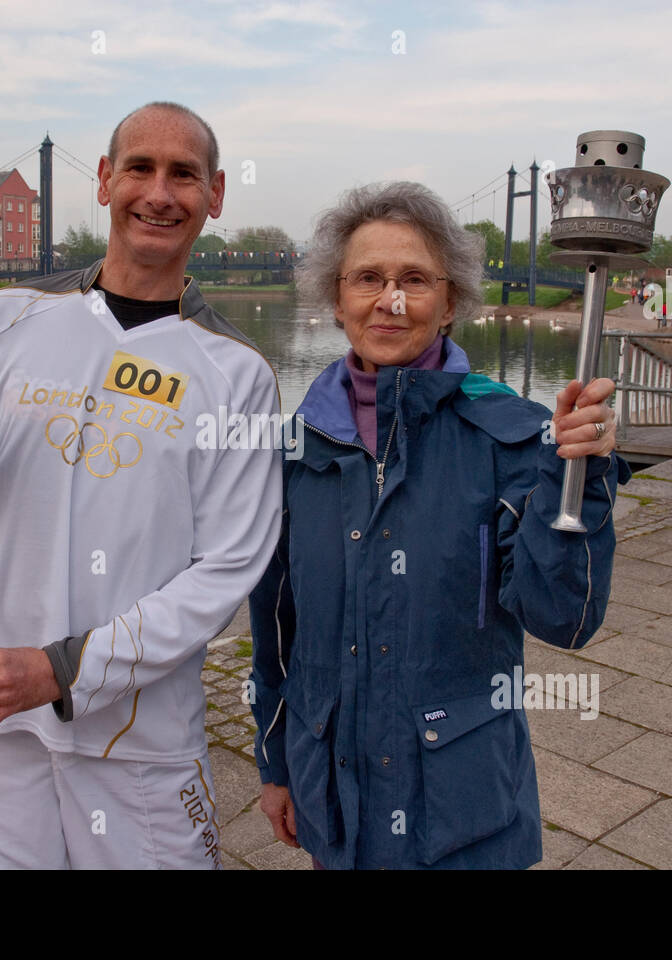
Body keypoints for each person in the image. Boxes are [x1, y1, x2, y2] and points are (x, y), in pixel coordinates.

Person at [0, 101, 281, 869]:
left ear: (216, 196)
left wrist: (64, 666)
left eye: (185, 174)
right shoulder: (1, 318)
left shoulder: (238, 374)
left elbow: (229, 570)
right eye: (139, 167)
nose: (159, 192)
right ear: (105, 181)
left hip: (136, 740)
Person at [248, 181, 630, 869]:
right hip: (334, 804)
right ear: (337, 299)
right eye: (368, 278)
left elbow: (563, 618)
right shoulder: (294, 451)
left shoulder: (514, 440)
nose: (390, 299)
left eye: (415, 279)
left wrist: (578, 479)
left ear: (450, 302)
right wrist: (276, 762)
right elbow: (276, 628)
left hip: (463, 820)